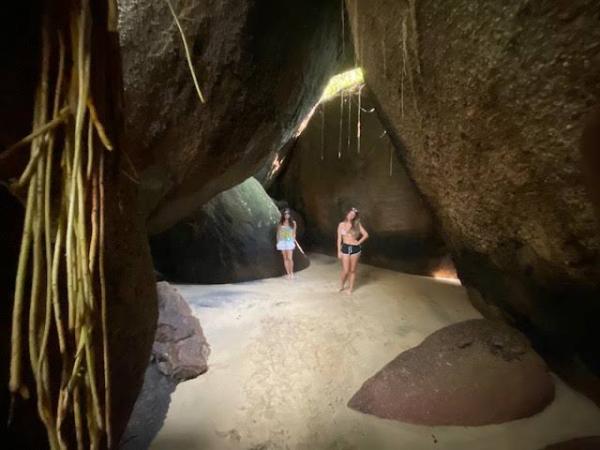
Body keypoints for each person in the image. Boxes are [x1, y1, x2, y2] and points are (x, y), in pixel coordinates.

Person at [337, 207, 369, 294]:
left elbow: (366, 235)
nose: (351, 216)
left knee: (352, 270)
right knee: (345, 270)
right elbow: (339, 239)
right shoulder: (341, 224)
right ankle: (341, 285)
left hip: (355, 249)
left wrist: (358, 242)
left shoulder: (357, 225)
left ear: (355, 216)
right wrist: (338, 251)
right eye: (350, 214)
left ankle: (350, 289)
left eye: (353, 215)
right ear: (347, 214)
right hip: (345, 248)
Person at [276, 208, 297, 279]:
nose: (286, 215)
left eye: (288, 213)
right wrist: (278, 241)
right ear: (283, 215)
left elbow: (294, 233)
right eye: (285, 214)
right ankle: (288, 273)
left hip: (289, 241)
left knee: (290, 258)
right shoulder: (281, 223)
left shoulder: (293, 223)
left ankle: (292, 273)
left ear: (290, 214)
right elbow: (278, 233)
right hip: (282, 241)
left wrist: (293, 241)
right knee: (285, 258)